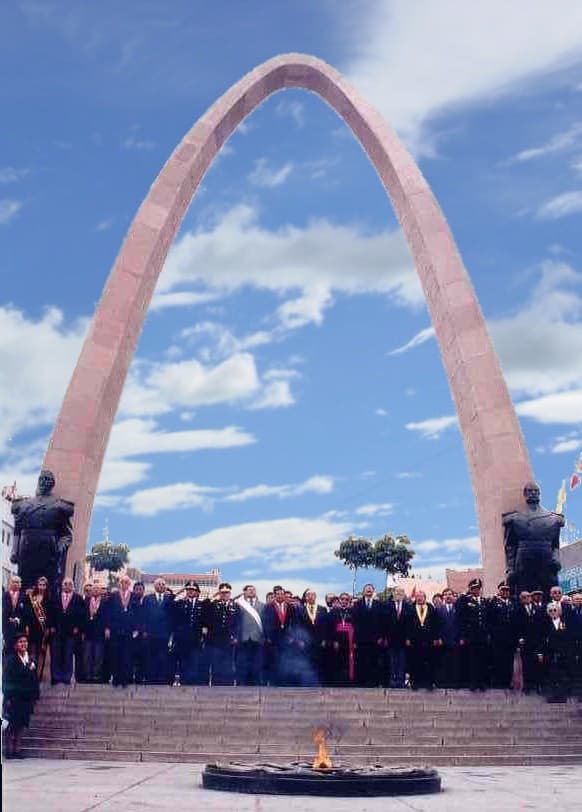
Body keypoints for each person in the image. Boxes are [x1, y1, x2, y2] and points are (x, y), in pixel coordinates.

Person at [10, 469, 74, 594]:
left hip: (48, 552)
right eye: (42, 479)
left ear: (53, 483)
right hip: (26, 551)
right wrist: (14, 551)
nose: (44, 482)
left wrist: (59, 548)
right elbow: (17, 530)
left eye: (48, 479)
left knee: (48, 587)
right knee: (25, 587)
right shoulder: (24, 504)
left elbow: (67, 535)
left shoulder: (59, 506)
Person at [2, 634, 40, 759]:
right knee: (11, 724)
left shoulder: (31, 659)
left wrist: (35, 695)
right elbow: (7, 679)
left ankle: (17, 749)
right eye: (20, 642)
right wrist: (8, 697)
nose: (23, 644)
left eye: (25, 641)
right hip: (14, 697)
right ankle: (9, 749)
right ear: (15, 645)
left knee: (22, 724)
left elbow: (34, 679)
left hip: (26, 697)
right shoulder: (11, 660)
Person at [50, 576, 84, 685]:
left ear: (73, 586)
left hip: (71, 631)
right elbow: (51, 613)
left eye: (70, 584)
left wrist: (78, 627)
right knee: (56, 654)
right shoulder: (55, 597)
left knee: (68, 654)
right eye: (65, 584)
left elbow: (82, 615)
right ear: (62, 585)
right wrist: (51, 626)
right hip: (57, 630)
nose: (67, 586)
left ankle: (66, 677)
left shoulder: (78, 598)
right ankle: (56, 676)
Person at [457, 578, 490, 690]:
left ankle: (482, 682)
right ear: (470, 589)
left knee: (483, 660)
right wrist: (462, 636)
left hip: (482, 636)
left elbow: (487, 619)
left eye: (477, 588)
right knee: (472, 660)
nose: (476, 590)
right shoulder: (466, 600)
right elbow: (460, 616)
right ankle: (473, 682)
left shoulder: (484, 601)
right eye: (473, 588)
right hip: (471, 635)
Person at [404, 590, 442, 690]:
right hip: (415, 640)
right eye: (417, 596)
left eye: (421, 596)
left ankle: (429, 683)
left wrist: (436, 637)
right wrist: (407, 638)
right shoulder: (411, 608)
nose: (419, 598)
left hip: (429, 639)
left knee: (429, 661)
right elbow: (407, 624)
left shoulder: (430, 607)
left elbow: (435, 623)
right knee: (415, 661)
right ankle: (415, 683)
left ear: (425, 597)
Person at [173, 581, 208, 685]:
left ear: (197, 592)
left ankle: (193, 682)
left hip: (196, 638)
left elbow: (206, 620)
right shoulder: (180, 603)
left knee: (195, 661)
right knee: (183, 661)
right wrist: (177, 593)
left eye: (193, 590)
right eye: (188, 590)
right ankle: (184, 682)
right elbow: (169, 605)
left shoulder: (202, 605)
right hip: (183, 638)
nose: (191, 592)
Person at [290, 589, 328, 686]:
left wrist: (324, 639)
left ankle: (320, 683)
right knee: (306, 663)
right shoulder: (300, 609)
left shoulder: (322, 609)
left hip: (319, 642)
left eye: (312, 595)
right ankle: (306, 683)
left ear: (315, 597)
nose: (310, 597)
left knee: (319, 662)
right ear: (305, 597)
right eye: (308, 595)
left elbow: (326, 626)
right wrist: (299, 640)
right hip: (305, 642)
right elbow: (297, 625)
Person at [205, 582, 240, 686]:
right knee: (216, 663)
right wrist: (212, 597)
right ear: (219, 593)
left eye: (227, 592)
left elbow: (238, 623)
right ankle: (216, 684)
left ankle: (228, 684)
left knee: (228, 663)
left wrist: (236, 636)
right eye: (222, 592)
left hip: (229, 639)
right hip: (215, 639)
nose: (224, 594)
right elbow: (204, 608)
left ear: (230, 593)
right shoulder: (213, 604)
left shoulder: (235, 606)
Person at [487, 582, 519, 689]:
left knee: (509, 660)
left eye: (507, 590)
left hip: (510, 637)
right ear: (499, 591)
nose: (505, 592)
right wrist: (493, 633)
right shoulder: (493, 603)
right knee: (498, 659)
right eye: (503, 590)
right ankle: (498, 682)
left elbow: (516, 621)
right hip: (498, 637)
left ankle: (508, 681)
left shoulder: (513, 603)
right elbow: (489, 620)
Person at [352, 584, 385, 687]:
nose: (369, 590)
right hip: (361, 639)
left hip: (375, 639)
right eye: (367, 589)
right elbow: (354, 623)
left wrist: (381, 636)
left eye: (371, 589)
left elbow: (382, 622)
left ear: (373, 591)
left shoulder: (379, 604)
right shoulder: (357, 604)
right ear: (363, 591)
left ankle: (374, 682)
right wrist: (355, 640)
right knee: (362, 661)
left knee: (374, 661)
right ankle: (362, 682)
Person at [143, 578, 174, 684]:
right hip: (151, 633)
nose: (161, 586)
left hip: (165, 633)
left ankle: (161, 678)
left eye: (163, 584)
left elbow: (171, 617)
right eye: (159, 584)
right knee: (151, 656)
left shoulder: (169, 598)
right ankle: (150, 678)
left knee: (163, 656)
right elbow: (144, 615)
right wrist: (145, 630)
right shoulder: (148, 598)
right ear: (155, 586)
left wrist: (171, 632)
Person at [263, 585, 295, 685]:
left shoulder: (290, 607)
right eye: (278, 594)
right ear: (275, 595)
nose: (280, 596)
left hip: (286, 639)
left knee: (285, 660)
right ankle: (274, 682)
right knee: (274, 660)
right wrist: (267, 637)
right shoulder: (269, 607)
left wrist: (292, 636)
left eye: (282, 594)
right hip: (273, 639)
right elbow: (265, 623)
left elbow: (294, 623)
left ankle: (284, 682)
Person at [24, 575, 54, 682]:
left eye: (44, 585)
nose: (41, 587)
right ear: (37, 585)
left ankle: (38, 674)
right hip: (32, 628)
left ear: (46, 586)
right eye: (40, 584)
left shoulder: (49, 598)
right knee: (31, 651)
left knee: (41, 651)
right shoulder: (32, 597)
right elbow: (27, 612)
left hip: (43, 629)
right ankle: (30, 673)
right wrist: (27, 625)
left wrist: (49, 627)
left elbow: (51, 614)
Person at [515, 590, 545, 694]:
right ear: (521, 599)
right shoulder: (518, 609)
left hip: (536, 640)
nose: (526, 598)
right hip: (525, 641)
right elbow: (515, 625)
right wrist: (519, 638)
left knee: (537, 663)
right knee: (526, 664)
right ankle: (527, 685)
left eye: (528, 596)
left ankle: (538, 685)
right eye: (524, 597)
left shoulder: (537, 608)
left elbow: (541, 624)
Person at [108, 575, 135, 687]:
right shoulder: (114, 595)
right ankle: (116, 678)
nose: (124, 584)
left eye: (126, 582)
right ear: (120, 583)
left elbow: (137, 613)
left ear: (129, 584)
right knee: (115, 654)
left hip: (128, 630)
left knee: (126, 655)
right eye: (123, 582)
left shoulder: (133, 596)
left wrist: (136, 628)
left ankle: (124, 679)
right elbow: (109, 612)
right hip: (115, 629)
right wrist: (108, 627)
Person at [235, 584, 265, 686]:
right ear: (244, 592)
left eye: (253, 589)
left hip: (257, 638)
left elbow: (265, 622)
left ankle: (256, 683)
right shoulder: (239, 605)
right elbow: (236, 622)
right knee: (243, 662)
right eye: (249, 590)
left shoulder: (262, 605)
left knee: (257, 662)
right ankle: (243, 683)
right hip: (244, 637)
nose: (252, 591)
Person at [543, 602, 572, 702]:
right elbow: (543, 639)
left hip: (563, 653)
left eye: (554, 610)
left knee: (562, 675)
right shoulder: (546, 624)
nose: (552, 612)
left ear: (559, 611)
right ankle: (552, 696)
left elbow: (568, 638)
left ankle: (561, 696)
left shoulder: (565, 622)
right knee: (552, 675)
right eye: (550, 611)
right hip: (550, 653)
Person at [82, 582, 110, 682]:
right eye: (94, 589)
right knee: (87, 655)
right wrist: (82, 630)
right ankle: (87, 675)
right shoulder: (86, 601)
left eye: (98, 589)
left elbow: (107, 617)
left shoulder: (105, 602)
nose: (96, 590)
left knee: (98, 655)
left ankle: (96, 675)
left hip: (100, 632)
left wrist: (107, 628)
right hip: (88, 631)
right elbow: (83, 616)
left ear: (101, 591)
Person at [327, 592, 356, 685]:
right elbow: (330, 628)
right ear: (339, 600)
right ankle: (338, 681)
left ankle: (348, 681)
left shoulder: (353, 612)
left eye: (346, 599)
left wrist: (354, 641)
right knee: (337, 661)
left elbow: (356, 627)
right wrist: (334, 640)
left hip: (349, 639)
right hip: (338, 640)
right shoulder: (333, 612)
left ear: (349, 601)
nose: (344, 601)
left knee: (349, 661)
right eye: (342, 599)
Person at [435, 587, 460, 688]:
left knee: (455, 662)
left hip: (455, 640)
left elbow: (460, 624)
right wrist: (438, 638)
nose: (448, 596)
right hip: (443, 640)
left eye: (450, 594)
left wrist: (460, 638)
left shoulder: (458, 608)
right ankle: (444, 683)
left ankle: (454, 682)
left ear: (453, 596)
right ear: (443, 597)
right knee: (444, 662)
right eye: (445, 595)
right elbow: (436, 626)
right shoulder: (439, 609)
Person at [384, 586, 410, 688]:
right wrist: (385, 637)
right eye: (397, 592)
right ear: (393, 593)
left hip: (403, 639)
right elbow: (384, 623)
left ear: (404, 594)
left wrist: (408, 638)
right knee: (392, 660)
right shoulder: (387, 605)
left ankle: (400, 681)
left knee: (402, 661)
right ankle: (392, 680)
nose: (399, 593)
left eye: (401, 592)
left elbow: (410, 624)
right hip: (390, 639)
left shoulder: (408, 606)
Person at [3, 575, 29, 652]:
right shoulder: (4, 595)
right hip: (7, 626)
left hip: (20, 628)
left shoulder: (24, 596)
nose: (15, 584)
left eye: (17, 582)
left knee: (18, 650)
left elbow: (26, 612)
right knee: (8, 649)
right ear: (10, 583)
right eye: (13, 582)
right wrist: (8, 619)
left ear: (20, 584)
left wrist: (18, 619)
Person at [129, 581, 148, 684]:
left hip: (143, 635)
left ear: (143, 591)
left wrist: (144, 630)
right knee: (130, 657)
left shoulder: (147, 602)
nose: (138, 591)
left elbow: (148, 618)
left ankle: (139, 678)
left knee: (142, 657)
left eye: (140, 589)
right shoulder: (129, 601)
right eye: (137, 589)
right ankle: (129, 677)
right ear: (133, 590)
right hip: (131, 634)